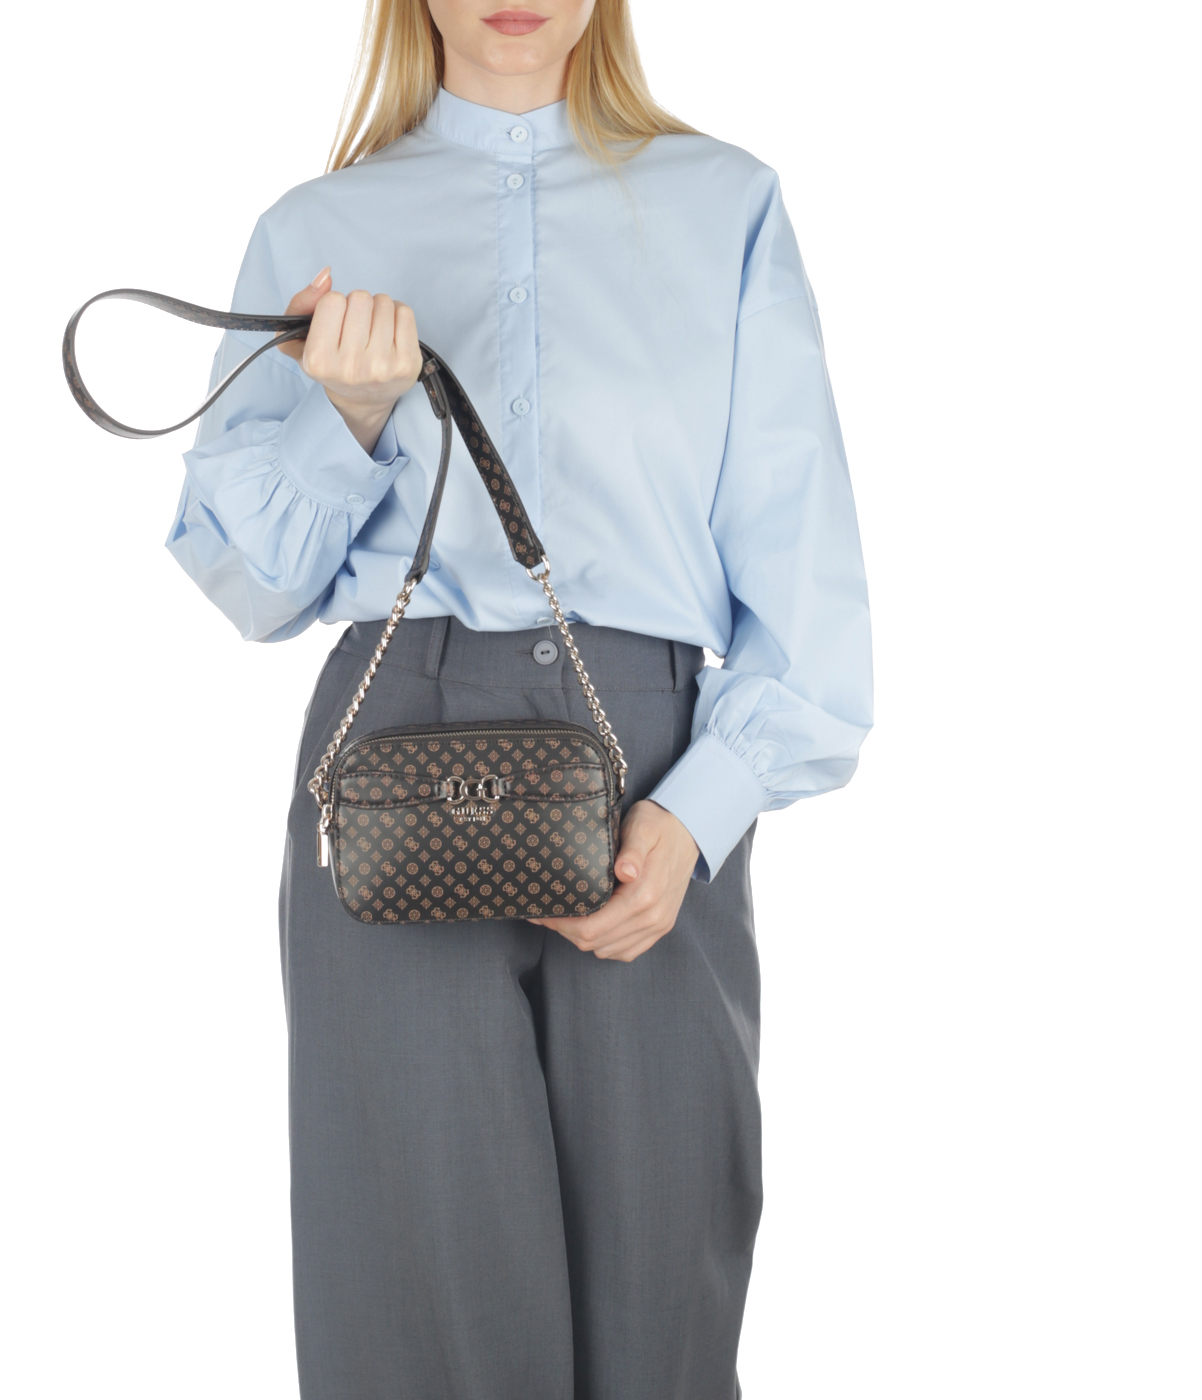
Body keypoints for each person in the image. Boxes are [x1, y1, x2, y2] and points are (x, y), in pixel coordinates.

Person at [165, 1, 873, 1395]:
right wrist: (344, 415)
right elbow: (249, 584)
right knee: (415, 1312)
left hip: (656, 775)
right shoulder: (317, 229)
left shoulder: (728, 207)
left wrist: (700, 811)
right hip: (393, 766)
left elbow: (810, 584)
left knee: (665, 1305)